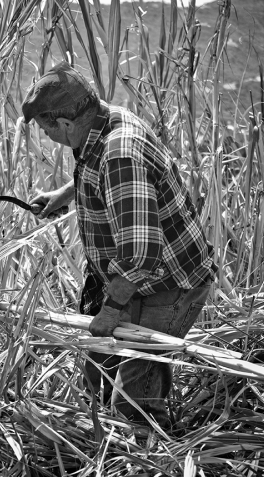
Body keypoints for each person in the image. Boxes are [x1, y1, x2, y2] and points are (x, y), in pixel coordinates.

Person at [22, 61, 217, 430]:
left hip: (167, 284)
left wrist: (110, 312)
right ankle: (107, 442)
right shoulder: (103, 117)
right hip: (136, 279)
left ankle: (148, 456)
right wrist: (66, 194)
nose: (49, 138)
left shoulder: (119, 152)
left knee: (133, 401)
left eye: (47, 130)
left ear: (64, 124)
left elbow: (142, 254)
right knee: (98, 378)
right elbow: (106, 178)